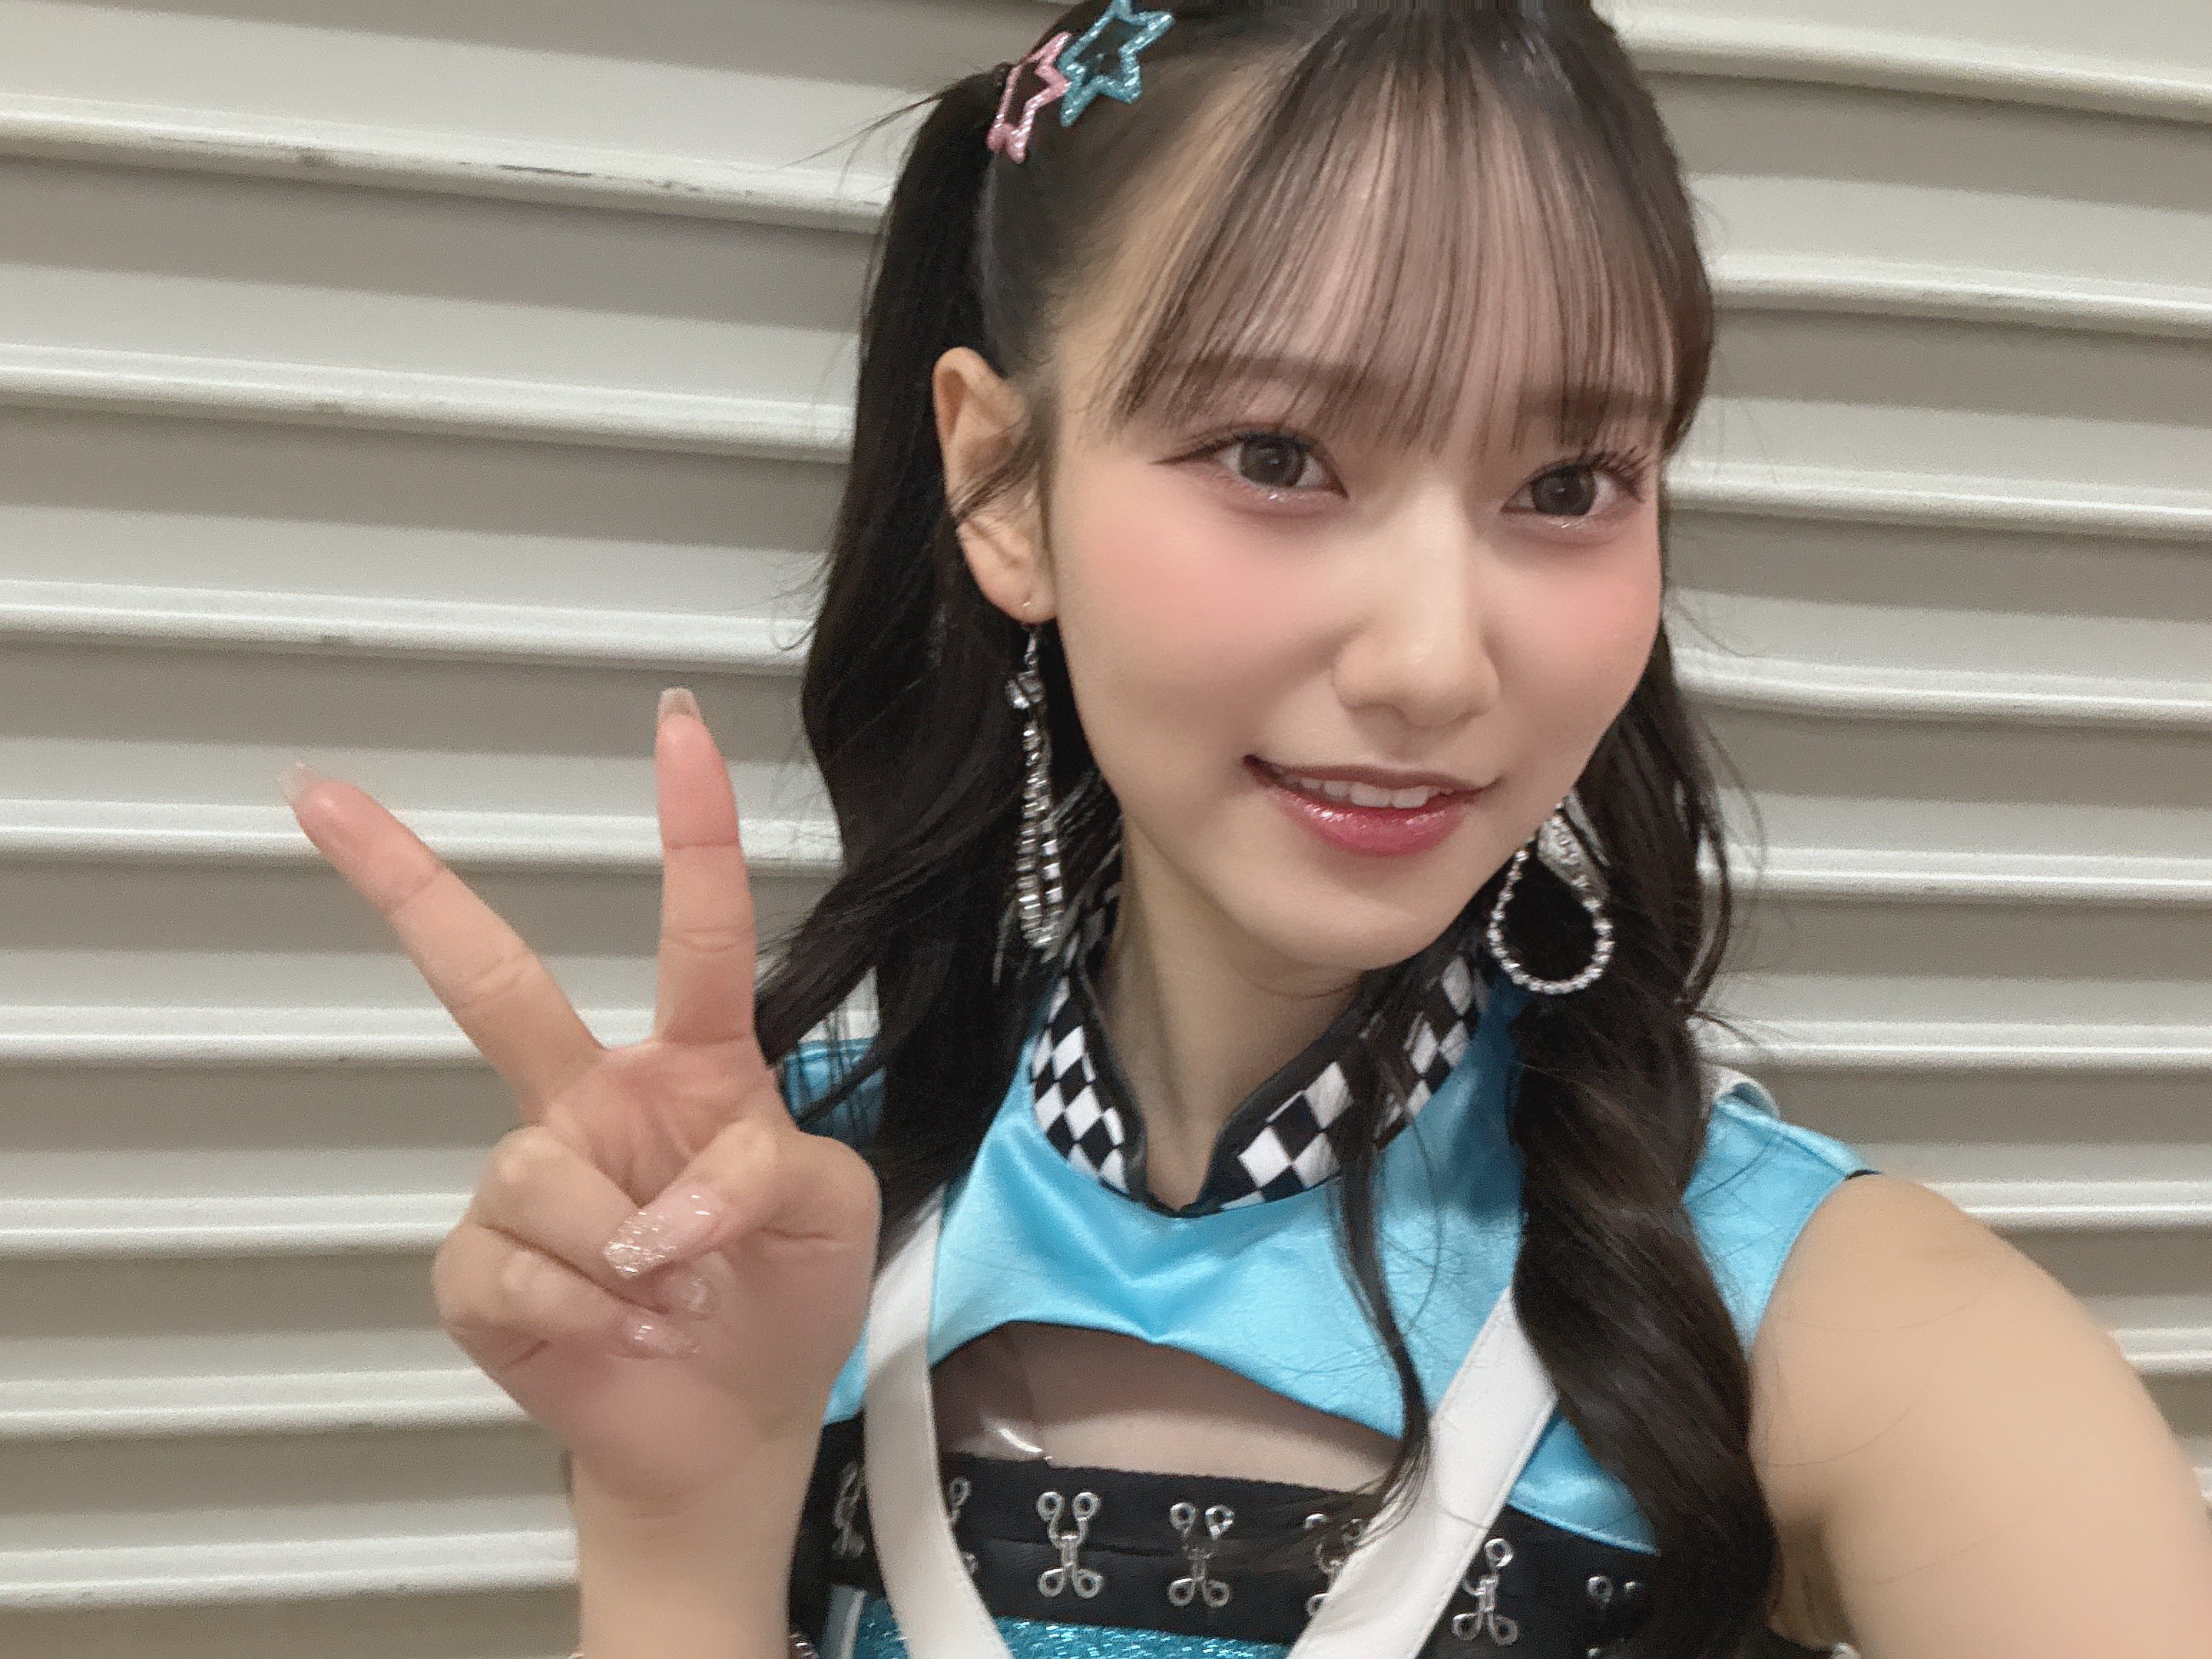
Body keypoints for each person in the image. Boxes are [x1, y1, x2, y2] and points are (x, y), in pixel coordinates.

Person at [280, 3, 2212, 1657]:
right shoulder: (788, 1216)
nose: (1437, 661)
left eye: (1568, 482)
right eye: (1277, 455)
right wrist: (679, 1518)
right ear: (1003, 485)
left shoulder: (1849, 1335)